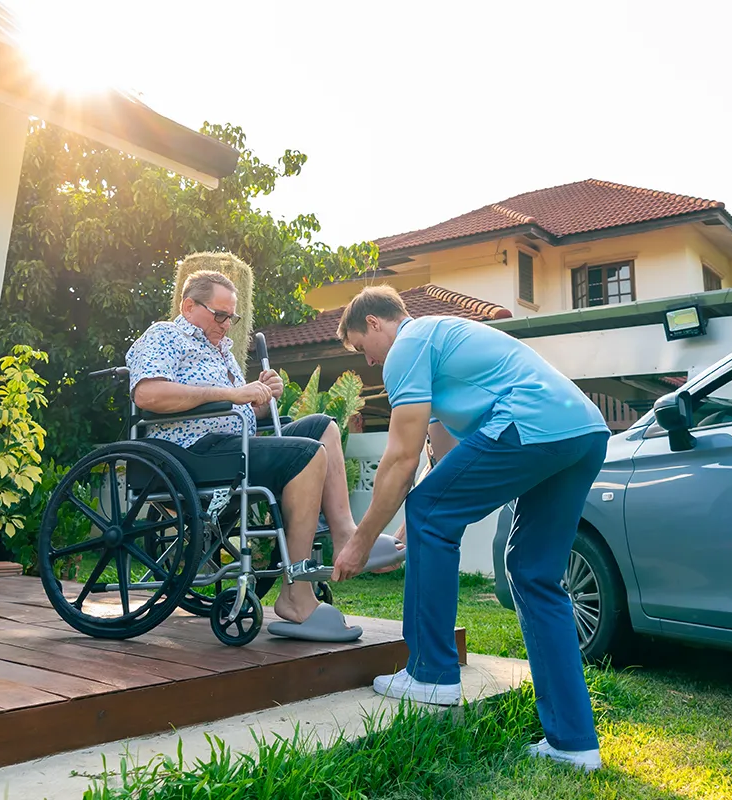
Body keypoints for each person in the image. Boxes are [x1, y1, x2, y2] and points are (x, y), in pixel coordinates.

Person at [329, 286, 611, 772]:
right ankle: (574, 743)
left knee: (433, 516)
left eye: (361, 347)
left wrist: (359, 542)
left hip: (531, 424)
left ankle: (431, 673)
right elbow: (439, 460)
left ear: (374, 323)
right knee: (534, 573)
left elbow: (400, 458)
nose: (369, 361)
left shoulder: (407, 345)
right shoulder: (441, 343)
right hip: (583, 432)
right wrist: (411, 526)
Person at [126, 267, 366, 636]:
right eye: (219, 315)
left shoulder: (221, 351)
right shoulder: (165, 335)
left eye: (231, 317)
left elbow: (237, 409)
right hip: (191, 452)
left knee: (324, 427)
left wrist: (261, 399)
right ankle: (296, 596)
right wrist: (231, 393)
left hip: (233, 443)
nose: (226, 325)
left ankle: (345, 533)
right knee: (306, 454)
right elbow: (148, 394)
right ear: (188, 306)